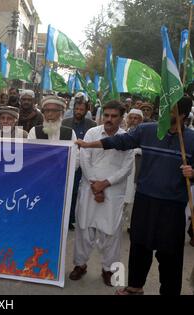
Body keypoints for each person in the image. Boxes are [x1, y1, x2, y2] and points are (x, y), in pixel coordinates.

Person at [76, 96, 194, 296]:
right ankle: (134, 287)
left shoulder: (190, 140)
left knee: (170, 255)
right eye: (163, 109)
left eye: (170, 110)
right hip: (145, 200)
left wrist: (193, 173)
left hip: (172, 206)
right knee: (139, 247)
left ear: (182, 115)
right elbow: (120, 141)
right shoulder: (148, 130)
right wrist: (89, 145)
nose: (164, 113)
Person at [69, 100, 134, 287]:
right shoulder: (92, 133)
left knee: (111, 233)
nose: (109, 119)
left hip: (113, 192)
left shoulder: (127, 138)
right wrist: (94, 185)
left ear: (122, 118)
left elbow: (127, 167)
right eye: (106, 115)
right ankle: (80, 265)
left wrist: (105, 184)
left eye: (114, 116)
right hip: (89, 188)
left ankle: (108, 269)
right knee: (84, 228)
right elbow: (84, 158)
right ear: (101, 115)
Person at [62, 98, 98, 230]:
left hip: (85, 163)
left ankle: (81, 218)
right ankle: (68, 219)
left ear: (86, 111)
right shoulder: (65, 123)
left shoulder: (92, 125)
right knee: (69, 191)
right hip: (69, 162)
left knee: (79, 192)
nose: (78, 112)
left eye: (81, 110)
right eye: (76, 109)